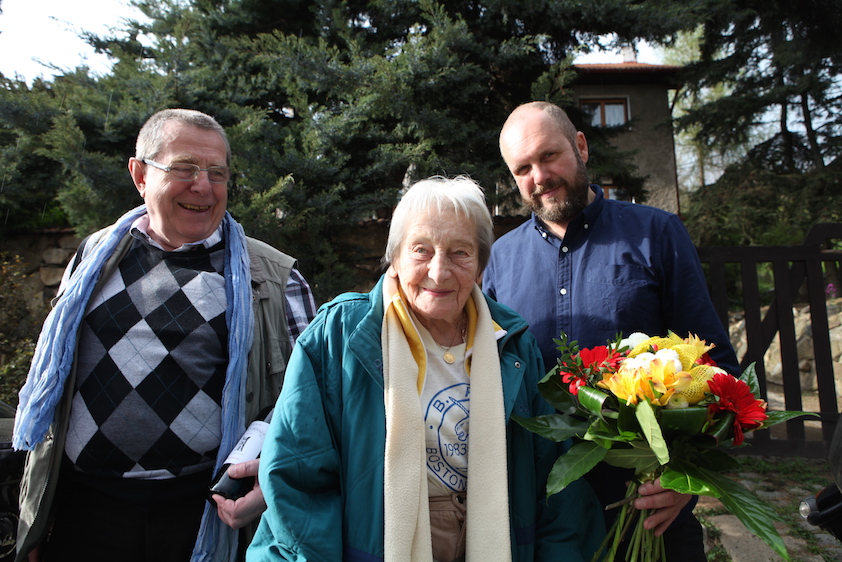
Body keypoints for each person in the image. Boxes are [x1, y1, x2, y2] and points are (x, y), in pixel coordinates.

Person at [247, 176, 605, 561]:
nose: (439, 271)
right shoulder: (339, 334)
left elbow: (555, 482)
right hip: (374, 542)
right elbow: (297, 478)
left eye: (460, 252)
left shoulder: (512, 342)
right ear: (395, 258)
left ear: (481, 264)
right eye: (421, 250)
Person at [12, 108, 317, 562]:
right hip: (86, 508)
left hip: (201, 514)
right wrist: (38, 514)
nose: (203, 186)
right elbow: (55, 386)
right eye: (184, 169)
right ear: (139, 174)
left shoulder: (273, 278)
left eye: (217, 172)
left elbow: (309, 401)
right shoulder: (94, 256)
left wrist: (269, 478)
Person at [482, 101, 741, 561]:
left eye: (548, 156)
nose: (539, 176)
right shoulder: (500, 260)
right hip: (542, 523)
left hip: (648, 514)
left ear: (580, 146)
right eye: (523, 167)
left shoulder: (656, 233)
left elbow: (718, 370)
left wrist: (687, 478)